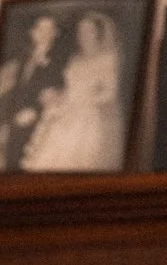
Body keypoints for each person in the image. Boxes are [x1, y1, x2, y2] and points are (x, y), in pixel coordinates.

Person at [20, 10, 126, 171]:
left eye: (88, 31)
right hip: (64, 112)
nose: (83, 35)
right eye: (80, 31)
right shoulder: (75, 59)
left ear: (97, 33)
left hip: (85, 117)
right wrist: (58, 96)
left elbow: (110, 94)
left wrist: (84, 100)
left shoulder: (107, 60)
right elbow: (68, 86)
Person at [0, 8, 66, 172]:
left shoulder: (58, 63)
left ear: (55, 33)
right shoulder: (23, 56)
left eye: (49, 29)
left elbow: (56, 95)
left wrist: (35, 111)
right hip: (13, 115)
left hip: (35, 120)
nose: (44, 33)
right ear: (33, 32)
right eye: (40, 29)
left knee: (22, 163)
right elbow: (13, 87)